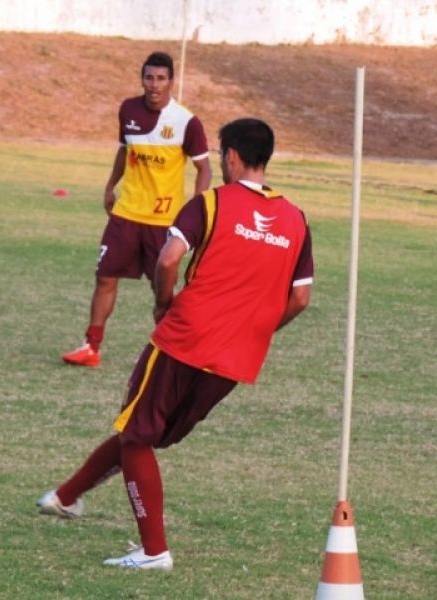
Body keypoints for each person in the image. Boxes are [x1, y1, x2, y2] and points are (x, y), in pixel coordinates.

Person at [38, 118, 314, 570]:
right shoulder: (295, 219)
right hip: (235, 359)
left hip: (185, 339)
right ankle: (66, 497)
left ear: (230, 156)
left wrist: (163, 304)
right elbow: (300, 298)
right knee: (142, 431)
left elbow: (168, 259)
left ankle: (153, 551)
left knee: (137, 436)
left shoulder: (211, 202)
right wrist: (256, 331)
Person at [62, 51, 212, 368]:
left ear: (171, 81)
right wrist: (110, 186)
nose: (154, 85)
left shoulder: (186, 122)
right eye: (149, 78)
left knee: (162, 291)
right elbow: (124, 151)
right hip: (126, 213)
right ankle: (91, 347)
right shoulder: (128, 109)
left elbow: (205, 169)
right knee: (105, 277)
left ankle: (172, 353)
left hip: (163, 221)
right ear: (142, 79)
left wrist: (195, 210)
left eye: (161, 78)